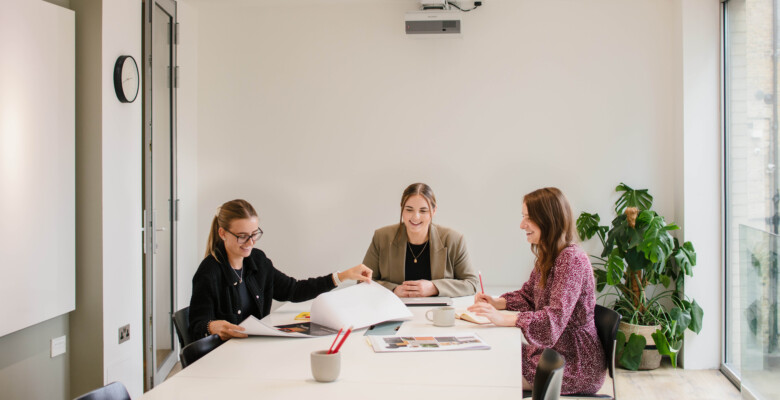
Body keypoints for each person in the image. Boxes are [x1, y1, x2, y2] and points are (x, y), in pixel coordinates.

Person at [467, 187, 605, 395]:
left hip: (574, 364)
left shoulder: (572, 259)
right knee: (493, 353)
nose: (522, 225)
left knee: (492, 368)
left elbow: (553, 321)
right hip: (554, 353)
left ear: (548, 220)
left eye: (528, 218)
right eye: (523, 217)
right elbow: (529, 296)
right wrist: (497, 302)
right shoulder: (550, 255)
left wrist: (504, 319)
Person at [189, 199, 372, 341]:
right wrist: (212, 326)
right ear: (222, 233)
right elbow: (197, 324)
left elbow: (294, 290)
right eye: (242, 237)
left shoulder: (258, 261)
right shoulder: (209, 272)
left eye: (254, 234)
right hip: (225, 354)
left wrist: (342, 276)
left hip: (253, 348)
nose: (251, 243)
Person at [362, 183, 478, 298]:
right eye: (409, 210)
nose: (415, 217)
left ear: (433, 211)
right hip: (394, 310)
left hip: (438, 312)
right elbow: (363, 281)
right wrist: (393, 290)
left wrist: (434, 287)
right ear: (402, 208)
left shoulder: (454, 239)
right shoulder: (382, 237)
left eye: (423, 211)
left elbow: (471, 283)